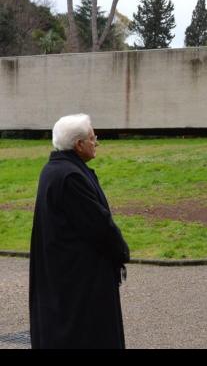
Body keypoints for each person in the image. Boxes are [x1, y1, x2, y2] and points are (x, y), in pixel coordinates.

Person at [29, 114, 130, 349]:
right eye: (93, 138)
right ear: (79, 144)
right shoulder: (70, 177)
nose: (97, 142)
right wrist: (121, 251)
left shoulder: (54, 170)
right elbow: (99, 225)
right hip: (80, 282)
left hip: (66, 276)